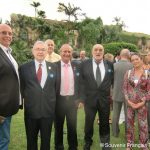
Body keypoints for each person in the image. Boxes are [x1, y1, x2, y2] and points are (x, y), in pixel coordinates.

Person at [19, 41, 57, 150]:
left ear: (47, 51)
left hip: (48, 112)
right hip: (31, 112)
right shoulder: (24, 68)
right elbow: (21, 88)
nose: (40, 51)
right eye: (38, 49)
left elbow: (56, 87)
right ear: (33, 51)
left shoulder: (54, 68)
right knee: (31, 142)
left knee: (46, 142)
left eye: (43, 49)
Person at [80, 44, 114, 150]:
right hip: (89, 100)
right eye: (96, 50)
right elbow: (81, 83)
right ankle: (87, 142)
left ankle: (105, 144)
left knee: (104, 122)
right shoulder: (84, 64)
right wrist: (81, 99)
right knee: (89, 122)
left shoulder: (109, 64)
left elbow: (111, 81)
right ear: (92, 51)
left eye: (100, 50)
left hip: (104, 99)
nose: (98, 52)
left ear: (103, 52)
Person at [54, 44, 83, 150]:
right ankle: (58, 146)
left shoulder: (77, 66)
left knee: (72, 126)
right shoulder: (54, 66)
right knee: (58, 126)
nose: (66, 54)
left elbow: (81, 84)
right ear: (60, 52)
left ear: (71, 53)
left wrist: (80, 99)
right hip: (58, 101)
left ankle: (73, 146)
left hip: (72, 101)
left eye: (69, 52)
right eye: (64, 51)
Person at [123, 53, 150, 150]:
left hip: (142, 104)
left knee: (143, 125)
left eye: (136, 59)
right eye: (132, 60)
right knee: (129, 124)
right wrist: (128, 101)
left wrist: (142, 102)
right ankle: (129, 144)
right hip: (130, 104)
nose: (135, 61)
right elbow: (125, 88)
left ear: (141, 59)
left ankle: (143, 144)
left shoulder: (147, 73)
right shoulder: (128, 73)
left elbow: (149, 90)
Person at [0, 24, 20, 150]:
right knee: (3, 141)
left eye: (10, 33)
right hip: (1, 110)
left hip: (7, 108)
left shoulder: (8, 53)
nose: (7, 35)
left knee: (4, 139)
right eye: (3, 33)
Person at [112, 49, 133, 137]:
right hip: (129, 94)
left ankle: (115, 132)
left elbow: (111, 80)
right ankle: (127, 134)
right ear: (128, 56)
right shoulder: (132, 65)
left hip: (116, 92)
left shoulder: (114, 65)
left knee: (115, 114)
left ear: (120, 55)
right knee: (128, 115)